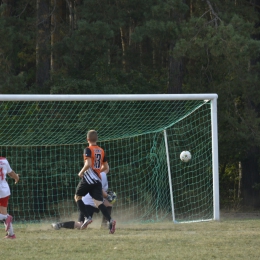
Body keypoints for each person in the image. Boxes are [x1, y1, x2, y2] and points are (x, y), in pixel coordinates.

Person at [74, 130, 116, 234]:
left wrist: (81, 172)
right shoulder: (101, 150)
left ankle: (87, 218)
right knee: (99, 202)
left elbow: (88, 164)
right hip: (97, 180)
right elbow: (106, 167)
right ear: (96, 139)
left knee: (77, 197)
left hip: (89, 178)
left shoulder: (88, 149)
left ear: (87, 139)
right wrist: (97, 171)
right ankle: (110, 220)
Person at [0, 157, 19, 239]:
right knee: (3, 212)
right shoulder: (4, 160)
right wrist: (16, 178)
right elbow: (10, 173)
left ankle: (6, 217)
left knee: (4, 215)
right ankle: (11, 234)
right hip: (4, 189)